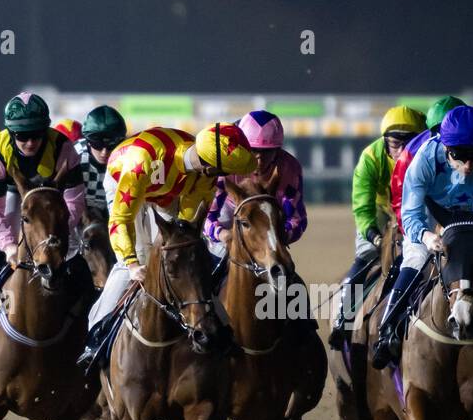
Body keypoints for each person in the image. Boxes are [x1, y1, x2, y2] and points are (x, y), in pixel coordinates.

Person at [77, 122, 257, 371]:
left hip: (167, 191)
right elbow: (120, 219)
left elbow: (187, 224)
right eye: (220, 172)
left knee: (181, 256)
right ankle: (95, 336)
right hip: (126, 179)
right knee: (138, 256)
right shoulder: (144, 158)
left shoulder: (205, 175)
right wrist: (132, 265)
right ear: (207, 164)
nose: (220, 178)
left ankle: (221, 328)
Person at [369, 104, 473, 370]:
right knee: (415, 261)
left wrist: (459, 237)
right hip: (428, 222)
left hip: (469, 225)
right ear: (444, 146)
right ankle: (387, 330)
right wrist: (427, 236)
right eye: (460, 156)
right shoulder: (424, 160)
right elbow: (410, 214)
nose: (467, 165)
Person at [0, 92, 90, 334]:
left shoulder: (64, 148)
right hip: (14, 195)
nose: (30, 142)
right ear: (10, 133)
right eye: (22, 136)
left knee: (76, 259)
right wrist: (8, 246)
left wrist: (56, 235)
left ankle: (92, 320)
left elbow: (75, 201)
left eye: (36, 134)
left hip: (51, 201)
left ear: (46, 130)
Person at [326, 105, 425, 350]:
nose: (402, 150)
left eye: (409, 142)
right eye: (395, 144)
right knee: (366, 255)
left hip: (415, 211)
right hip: (382, 212)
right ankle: (343, 316)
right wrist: (372, 234)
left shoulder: (426, 156)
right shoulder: (370, 158)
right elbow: (362, 205)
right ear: (384, 141)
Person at [203, 109, 307, 259]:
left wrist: (279, 235)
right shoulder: (227, 163)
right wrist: (223, 235)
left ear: (278, 151)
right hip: (228, 212)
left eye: (267, 152)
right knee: (220, 253)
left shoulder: (289, 168)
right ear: (243, 148)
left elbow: (297, 220)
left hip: (266, 220)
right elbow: (208, 217)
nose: (259, 159)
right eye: (253, 150)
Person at [388, 95, 465, 235]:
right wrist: (412, 232)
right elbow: (401, 200)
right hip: (422, 208)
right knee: (417, 254)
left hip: (459, 205)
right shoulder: (411, 154)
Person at [73, 105, 127, 226]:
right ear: (87, 140)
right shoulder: (75, 155)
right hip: (81, 212)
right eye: (97, 145)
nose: (104, 152)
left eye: (112, 146)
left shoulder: (129, 156)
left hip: (117, 211)